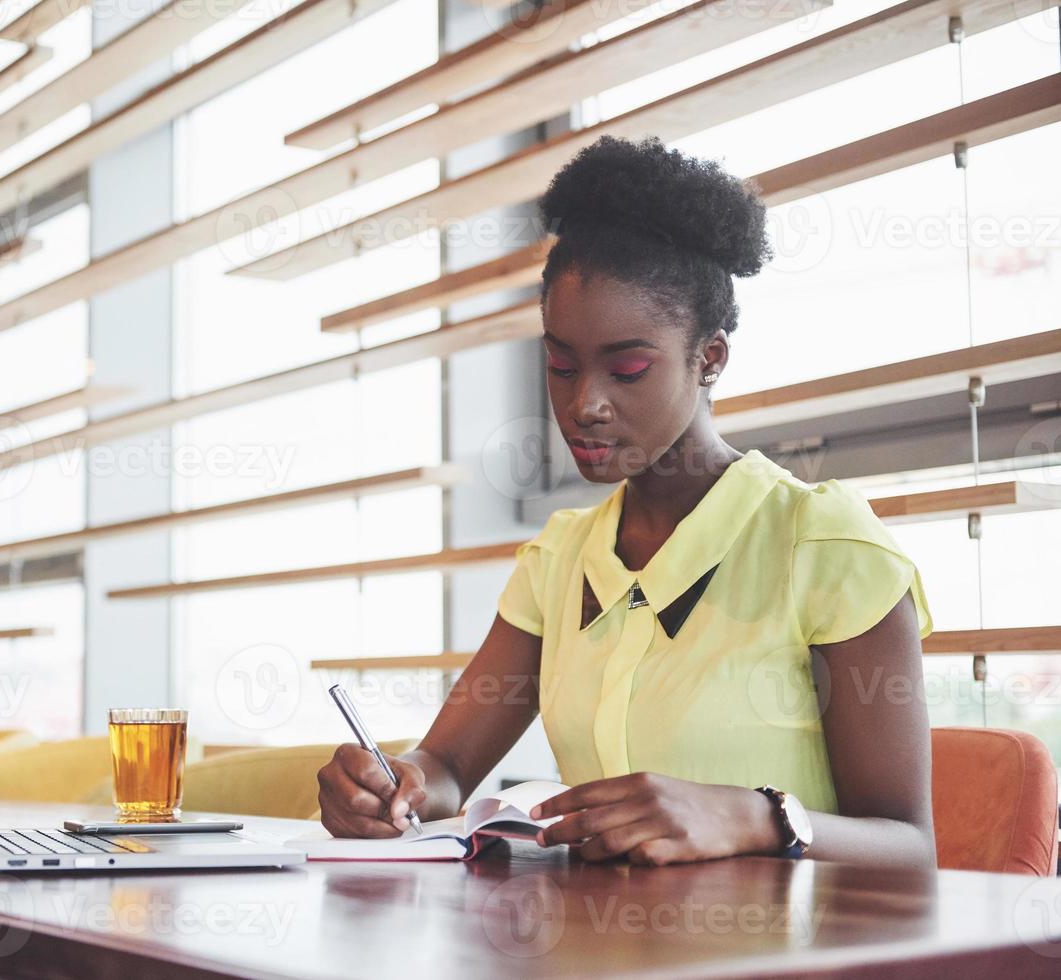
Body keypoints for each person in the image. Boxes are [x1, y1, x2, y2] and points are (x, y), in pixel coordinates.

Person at [316, 135, 937, 868]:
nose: (584, 404)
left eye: (628, 368)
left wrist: (754, 816)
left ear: (708, 358)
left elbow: (910, 850)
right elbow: (448, 765)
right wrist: (396, 786)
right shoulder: (559, 559)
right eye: (560, 364)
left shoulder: (822, 544)